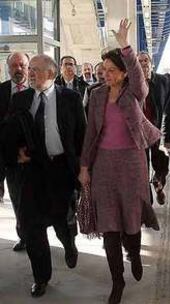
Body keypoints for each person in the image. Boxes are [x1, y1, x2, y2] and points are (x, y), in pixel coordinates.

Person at [78, 19, 160, 304]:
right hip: (103, 167)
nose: (106, 75)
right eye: (104, 71)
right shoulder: (96, 94)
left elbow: (139, 77)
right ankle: (117, 281)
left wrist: (126, 46)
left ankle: (135, 254)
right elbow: (90, 134)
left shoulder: (134, 91)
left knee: (132, 221)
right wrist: (84, 167)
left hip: (133, 163)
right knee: (110, 226)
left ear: (123, 73)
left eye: (111, 71)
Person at [4, 53, 86, 297]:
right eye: (31, 69)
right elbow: (7, 132)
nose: (30, 73)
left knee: (62, 220)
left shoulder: (70, 98)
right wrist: (15, 153)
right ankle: (41, 277)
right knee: (31, 226)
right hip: (31, 172)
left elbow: (82, 136)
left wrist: (83, 169)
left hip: (61, 170)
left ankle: (69, 243)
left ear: (50, 74)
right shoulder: (20, 99)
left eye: (36, 69)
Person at [0, 52, 30, 250]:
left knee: (37, 200)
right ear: (8, 68)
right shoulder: (1, 91)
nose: (18, 69)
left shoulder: (38, 90)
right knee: (18, 199)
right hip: (11, 159)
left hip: (35, 158)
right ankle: (24, 237)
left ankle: (38, 234)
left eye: (22, 65)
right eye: (14, 66)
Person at [138, 51, 169, 205]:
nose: (143, 63)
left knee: (161, 165)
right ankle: (147, 202)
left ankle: (159, 183)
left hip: (157, 132)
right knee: (142, 168)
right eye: (140, 61)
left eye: (146, 60)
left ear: (151, 64)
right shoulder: (132, 83)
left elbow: (168, 107)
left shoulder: (163, 81)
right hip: (140, 134)